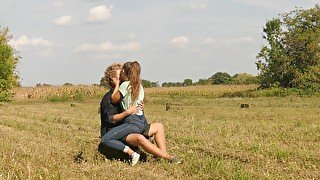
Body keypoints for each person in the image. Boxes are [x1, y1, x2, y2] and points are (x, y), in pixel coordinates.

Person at [100, 63, 181, 166]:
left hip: (132, 124)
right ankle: (167, 157)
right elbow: (111, 119)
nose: (123, 76)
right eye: (120, 75)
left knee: (159, 126)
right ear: (114, 79)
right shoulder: (108, 99)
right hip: (117, 130)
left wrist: (140, 108)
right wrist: (127, 112)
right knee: (139, 137)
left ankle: (163, 155)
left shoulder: (127, 89)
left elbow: (134, 107)